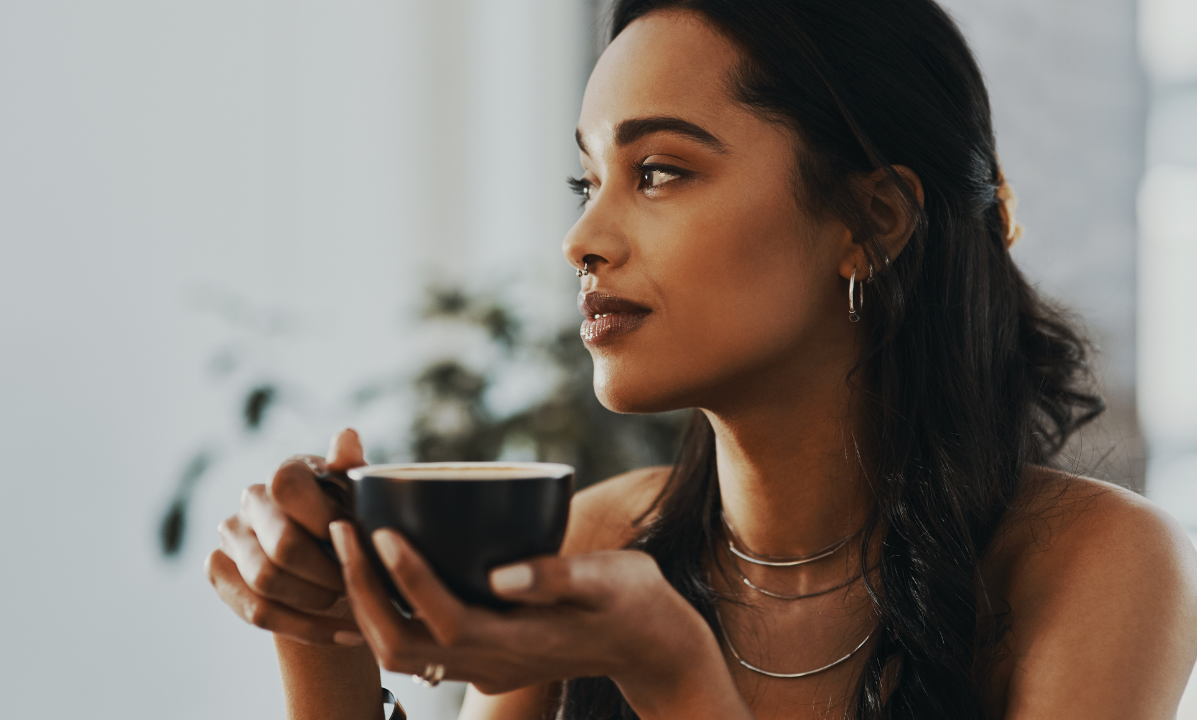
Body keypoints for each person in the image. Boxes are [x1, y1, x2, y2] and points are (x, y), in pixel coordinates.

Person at [205, 1, 1197, 718]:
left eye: (657, 172)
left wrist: (669, 668)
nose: (581, 238)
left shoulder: (1093, 566)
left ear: (872, 219)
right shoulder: (595, 538)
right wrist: (322, 634)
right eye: (585, 178)